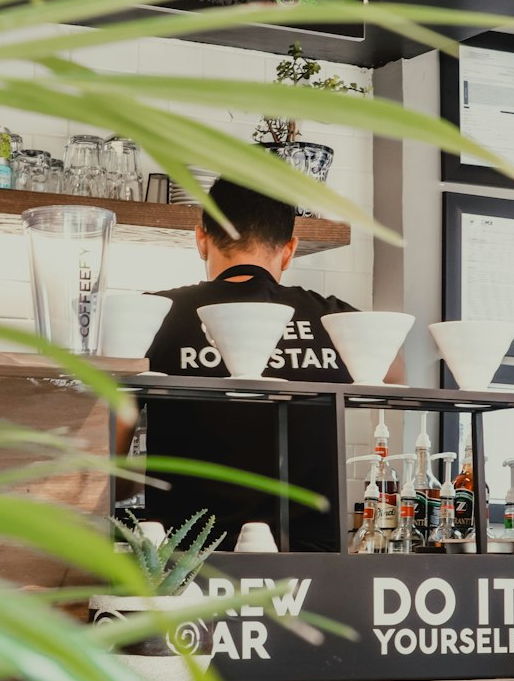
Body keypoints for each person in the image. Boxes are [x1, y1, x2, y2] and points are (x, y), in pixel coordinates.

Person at [132, 179, 358, 551]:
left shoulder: (154, 316)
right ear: (289, 250)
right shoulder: (335, 320)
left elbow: (108, 454)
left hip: (184, 560)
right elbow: (398, 373)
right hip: (313, 566)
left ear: (201, 239)